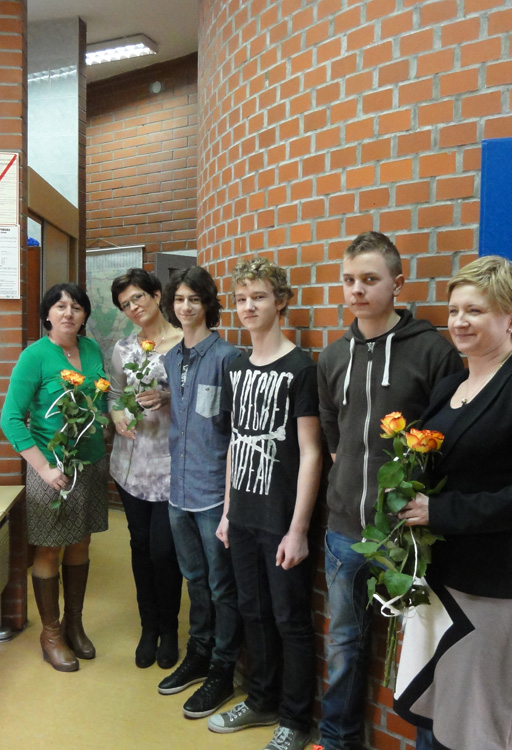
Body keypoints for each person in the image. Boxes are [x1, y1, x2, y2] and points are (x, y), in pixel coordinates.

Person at [393, 256, 512, 750]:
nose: (458, 321)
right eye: (454, 309)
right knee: (440, 724)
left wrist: (440, 512)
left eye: (474, 311)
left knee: (484, 733)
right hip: (444, 582)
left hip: (498, 589)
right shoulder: (450, 386)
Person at [316, 232, 463, 750]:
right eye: (349, 280)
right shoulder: (333, 356)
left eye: (370, 279)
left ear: (398, 284)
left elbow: (447, 440)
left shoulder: (433, 353)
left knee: (422, 650)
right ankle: (338, 740)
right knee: (344, 643)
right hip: (344, 532)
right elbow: (332, 429)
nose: (357, 290)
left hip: (407, 537)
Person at [208, 258, 321, 750]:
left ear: (281, 301)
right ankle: (261, 699)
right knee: (252, 610)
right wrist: (227, 511)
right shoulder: (235, 367)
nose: (249, 306)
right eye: (241, 299)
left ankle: (295, 719)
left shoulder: (301, 369)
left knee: (289, 618)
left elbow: (312, 451)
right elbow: (235, 441)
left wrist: (298, 529)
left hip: (282, 519)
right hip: (244, 515)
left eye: (258, 297)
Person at [2, 283, 110, 673]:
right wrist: (44, 468)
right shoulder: (34, 356)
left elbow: (103, 400)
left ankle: (73, 624)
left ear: (84, 316)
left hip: (90, 464)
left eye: (76, 307)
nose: (69, 313)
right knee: (49, 548)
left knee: (81, 542)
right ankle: (50, 634)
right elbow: (11, 419)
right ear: (47, 314)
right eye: (60, 306)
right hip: (52, 470)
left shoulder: (92, 349)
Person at [158, 265, 242, 718]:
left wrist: (231, 504)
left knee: (221, 585)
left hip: (214, 492)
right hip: (179, 489)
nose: (186, 307)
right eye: (179, 299)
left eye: (194, 299)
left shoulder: (229, 358)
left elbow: (234, 435)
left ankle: (223, 669)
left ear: (208, 304)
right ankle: (199, 652)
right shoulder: (171, 359)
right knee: (194, 579)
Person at [109, 268, 185, 670]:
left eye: (138, 297)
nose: (133, 307)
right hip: (131, 464)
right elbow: (115, 394)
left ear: (157, 295)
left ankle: (170, 629)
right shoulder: (123, 348)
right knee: (140, 546)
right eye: (125, 305)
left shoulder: (184, 342)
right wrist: (117, 415)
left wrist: (168, 397)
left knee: (164, 550)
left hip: (171, 465)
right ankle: (148, 628)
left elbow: (199, 397)